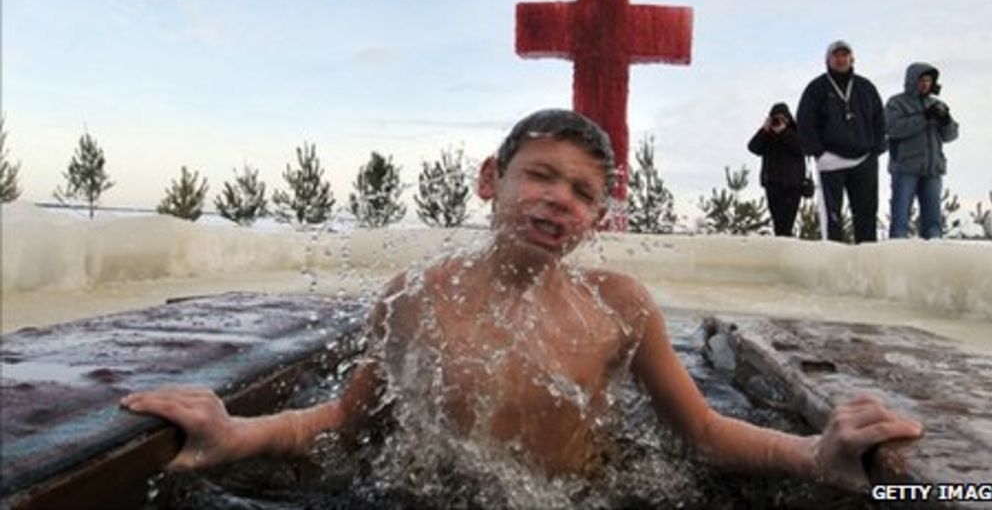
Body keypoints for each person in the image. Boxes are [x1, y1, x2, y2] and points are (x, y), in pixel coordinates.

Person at [122, 109, 921, 495]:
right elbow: (348, 421)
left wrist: (813, 454)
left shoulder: (618, 306)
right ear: (489, 179)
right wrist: (237, 434)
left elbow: (704, 432)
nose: (558, 202)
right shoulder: (416, 295)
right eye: (539, 175)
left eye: (582, 193)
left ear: (598, 217)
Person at [796, 40, 887, 243]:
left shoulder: (865, 87)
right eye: (836, 55)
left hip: (864, 159)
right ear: (827, 60)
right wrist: (818, 152)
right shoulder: (816, 88)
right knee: (832, 218)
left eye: (844, 55)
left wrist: (878, 148)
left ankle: (867, 261)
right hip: (831, 160)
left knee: (866, 214)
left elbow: (880, 119)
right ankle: (832, 262)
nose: (840, 59)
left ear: (852, 59)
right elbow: (804, 122)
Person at [885, 62, 959, 239]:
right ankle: (896, 254)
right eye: (922, 80)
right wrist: (924, 117)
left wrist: (946, 120)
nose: (925, 84)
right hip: (905, 168)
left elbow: (951, 135)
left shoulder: (938, 105)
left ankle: (934, 256)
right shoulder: (896, 103)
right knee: (900, 219)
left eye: (928, 80)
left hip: (932, 169)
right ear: (912, 81)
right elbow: (893, 129)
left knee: (933, 221)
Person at [748, 102, 806, 237]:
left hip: (793, 185)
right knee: (778, 224)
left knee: (787, 224)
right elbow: (753, 147)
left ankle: (787, 250)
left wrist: (783, 132)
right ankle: (780, 250)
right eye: (775, 118)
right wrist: (764, 129)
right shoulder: (768, 135)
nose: (778, 121)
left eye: (781, 117)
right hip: (773, 184)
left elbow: (802, 148)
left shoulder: (796, 132)